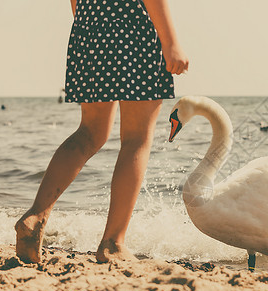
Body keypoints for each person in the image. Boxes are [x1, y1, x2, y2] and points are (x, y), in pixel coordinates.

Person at [15, 0, 189, 263]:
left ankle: (36, 215)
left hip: (88, 31)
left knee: (90, 132)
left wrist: (90, 27)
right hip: (133, 30)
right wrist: (170, 41)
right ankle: (113, 243)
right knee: (136, 139)